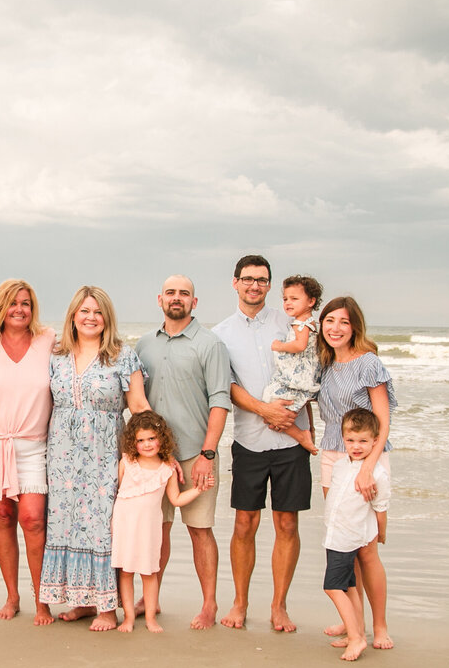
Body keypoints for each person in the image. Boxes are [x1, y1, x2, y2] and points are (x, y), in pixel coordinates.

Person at [39, 285, 150, 632]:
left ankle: (107, 607)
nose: (91, 318)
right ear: (73, 315)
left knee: (102, 527)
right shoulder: (56, 356)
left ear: (107, 319)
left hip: (104, 454)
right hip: (61, 455)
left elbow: (139, 407)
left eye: (98, 312)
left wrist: (159, 452)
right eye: (84, 311)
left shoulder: (122, 355)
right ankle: (83, 602)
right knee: (66, 523)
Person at [213, 255, 311, 633]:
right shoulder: (220, 333)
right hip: (249, 440)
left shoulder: (289, 322)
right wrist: (266, 411)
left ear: (270, 285)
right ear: (235, 282)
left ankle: (279, 606)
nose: (255, 286)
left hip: (292, 438)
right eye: (248, 279)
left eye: (263, 280)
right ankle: (240, 603)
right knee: (244, 524)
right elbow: (227, 386)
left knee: (287, 523)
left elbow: (311, 367)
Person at [134, 274, 230, 630]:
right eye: (171, 293)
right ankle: (151, 599)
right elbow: (135, 399)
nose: (177, 298)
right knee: (156, 529)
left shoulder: (210, 344)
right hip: (153, 458)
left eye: (184, 293)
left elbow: (220, 400)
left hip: (194, 454)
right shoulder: (143, 345)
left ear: (195, 301)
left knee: (199, 529)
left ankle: (208, 605)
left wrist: (207, 454)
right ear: (159, 299)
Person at [317, 295, 397, 650]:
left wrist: (367, 468)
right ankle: (355, 626)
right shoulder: (325, 364)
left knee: (367, 551)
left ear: (355, 327)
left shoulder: (368, 363)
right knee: (343, 543)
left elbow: (383, 421)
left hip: (365, 456)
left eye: (343, 322)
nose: (335, 328)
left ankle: (379, 628)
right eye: (329, 320)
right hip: (332, 456)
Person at [0, 279, 55, 624]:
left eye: (25, 303)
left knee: (33, 519)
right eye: (12, 303)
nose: (20, 309)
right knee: (3, 517)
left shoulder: (48, 340)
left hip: (34, 444)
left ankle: (43, 600)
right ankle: (12, 596)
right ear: (0, 307)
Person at [112, 411, 214, 634]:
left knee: (149, 573)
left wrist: (198, 489)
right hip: (125, 526)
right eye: (140, 440)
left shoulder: (167, 469)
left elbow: (176, 500)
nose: (147, 444)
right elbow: (118, 492)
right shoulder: (127, 462)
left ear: (162, 438)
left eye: (151, 438)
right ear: (133, 442)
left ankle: (150, 618)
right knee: (126, 573)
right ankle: (128, 617)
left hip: (149, 529)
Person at [321, 409, 391, 662]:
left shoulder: (376, 474)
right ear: (343, 440)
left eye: (363, 441)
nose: (357, 446)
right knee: (350, 587)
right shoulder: (340, 466)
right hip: (335, 536)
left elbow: (380, 509)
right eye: (351, 441)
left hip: (350, 538)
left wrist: (381, 533)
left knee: (332, 587)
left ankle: (357, 638)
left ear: (375, 441)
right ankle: (357, 631)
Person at [264, 275, 324, 455]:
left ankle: (301, 436)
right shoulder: (308, 322)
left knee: (269, 404)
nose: (288, 303)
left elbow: (299, 345)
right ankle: (306, 432)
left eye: (294, 299)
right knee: (279, 413)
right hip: (303, 375)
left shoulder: (301, 324)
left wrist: (279, 346)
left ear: (311, 301)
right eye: (285, 299)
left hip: (298, 378)